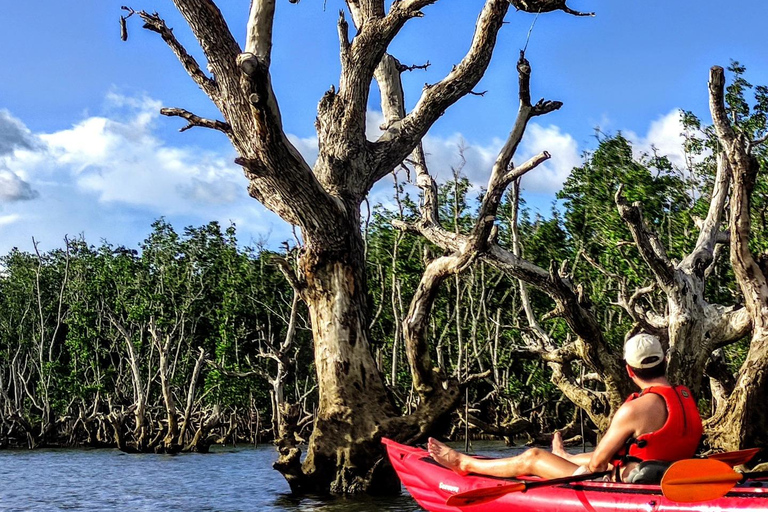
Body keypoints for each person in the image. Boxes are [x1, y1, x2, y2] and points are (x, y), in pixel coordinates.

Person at [428, 333, 703, 482]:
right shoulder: (686, 397)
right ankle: (563, 456)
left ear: (629, 370)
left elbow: (597, 465)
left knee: (533, 456)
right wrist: (568, 459)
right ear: (664, 362)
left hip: (631, 480)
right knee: (600, 454)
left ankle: (463, 462)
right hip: (664, 473)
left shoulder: (634, 409)